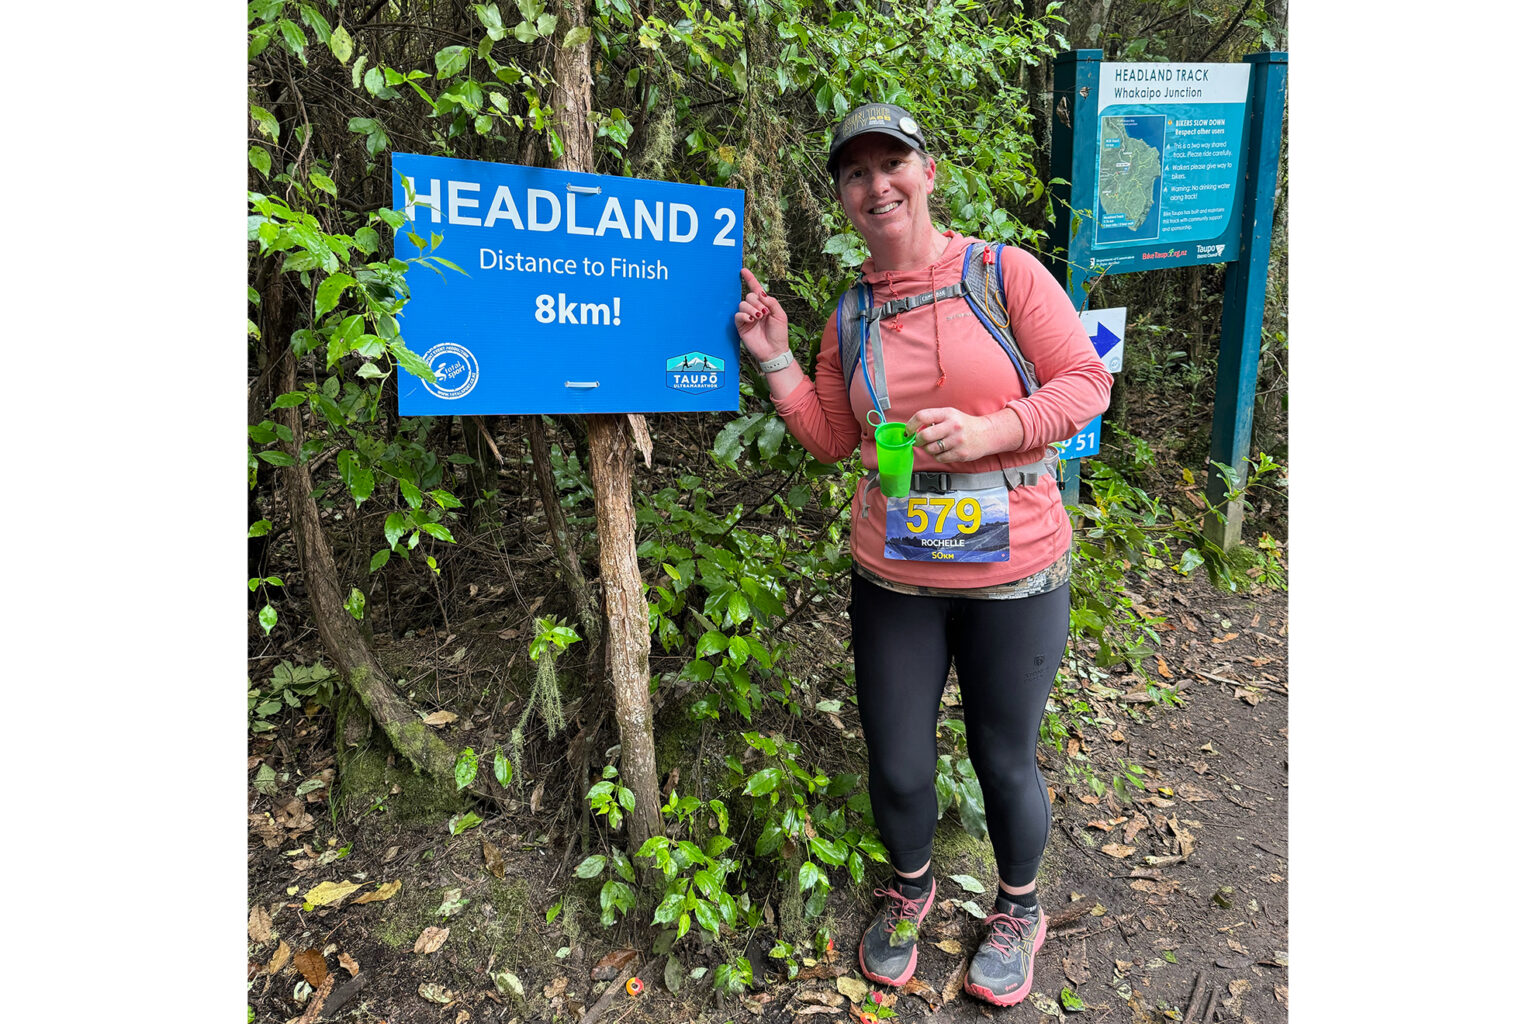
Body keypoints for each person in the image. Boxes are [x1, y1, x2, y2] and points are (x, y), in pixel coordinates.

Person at [734, 103, 1113, 1006]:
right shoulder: (852, 313)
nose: (877, 185)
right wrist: (776, 359)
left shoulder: (1002, 274)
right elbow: (833, 438)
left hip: (1015, 571)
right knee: (899, 761)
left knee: (1003, 758)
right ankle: (910, 890)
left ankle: (1019, 909)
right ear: (842, 198)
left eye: (892, 164)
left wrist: (992, 431)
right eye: (855, 173)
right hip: (895, 574)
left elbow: (1087, 382)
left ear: (928, 173)